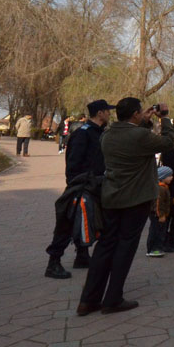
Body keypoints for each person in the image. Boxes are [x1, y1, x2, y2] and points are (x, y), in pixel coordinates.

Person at [77, 98, 174, 316]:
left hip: (111, 198)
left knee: (105, 246)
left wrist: (143, 122)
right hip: (135, 200)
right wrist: (165, 118)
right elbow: (168, 142)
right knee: (125, 247)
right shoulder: (140, 136)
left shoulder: (108, 134)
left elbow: (131, 139)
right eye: (140, 112)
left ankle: (88, 300)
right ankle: (112, 299)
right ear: (134, 114)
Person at [45, 99, 113, 279]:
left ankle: (82, 256)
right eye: (107, 111)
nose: (109, 114)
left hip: (95, 185)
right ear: (100, 113)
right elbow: (74, 163)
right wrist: (78, 184)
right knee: (66, 224)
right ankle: (53, 263)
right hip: (81, 186)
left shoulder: (99, 132)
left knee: (89, 221)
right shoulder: (83, 134)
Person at [145, 166, 174, 258]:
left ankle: (157, 248)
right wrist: (161, 215)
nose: (172, 177)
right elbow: (159, 204)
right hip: (158, 215)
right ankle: (153, 249)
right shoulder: (160, 188)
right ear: (163, 177)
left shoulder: (163, 187)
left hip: (159, 214)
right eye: (170, 176)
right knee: (156, 231)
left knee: (159, 231)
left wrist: (173, 201)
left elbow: (164, 201)